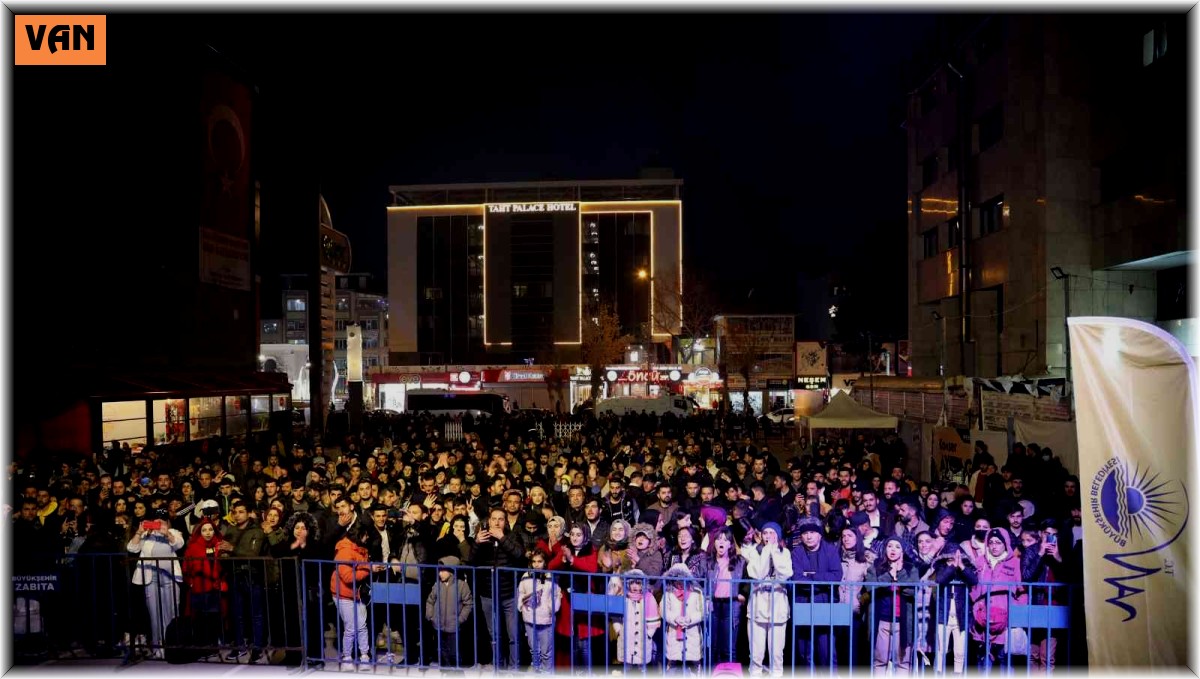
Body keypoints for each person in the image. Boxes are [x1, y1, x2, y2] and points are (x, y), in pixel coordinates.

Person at [126, 507, 184, 660]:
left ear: (167, 522)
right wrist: (139, 532)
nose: (159, 523)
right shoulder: (146, 535)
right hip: (151, 578)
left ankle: (172, 646)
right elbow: (131, 548)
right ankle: (158, 647)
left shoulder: (174, 532)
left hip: (169, 578)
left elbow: (179, 544)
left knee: (171, 613)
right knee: (154, 614)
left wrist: (167, 534)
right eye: (156, 520)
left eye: (162, 520)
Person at [743, 522, 793, 677]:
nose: (768, 536)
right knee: (756, 654)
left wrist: (774, 553)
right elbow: (758, 573)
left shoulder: (784, 553)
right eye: (765, 533)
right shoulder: (754, 552)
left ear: (778, 535)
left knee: (777, 654)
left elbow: (785, 574)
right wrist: (766, 552)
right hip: (758, 607)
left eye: (772, 533)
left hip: (778, 608)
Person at [865, 537, 918, 672]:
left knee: (903, 662)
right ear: (885, 549)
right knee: (880, 661)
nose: (893, 549)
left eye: (897, 547)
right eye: (890, 546)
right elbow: (871, 587)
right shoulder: (876, 567)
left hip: (903, 622)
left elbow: (912, 590)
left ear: (902, 550)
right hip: (882, 620)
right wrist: (890, 575)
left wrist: (899, 574)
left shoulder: (910, 568)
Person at [181, 517, 232, 657]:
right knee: (200, 617)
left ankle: (214, 646)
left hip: (216, 587)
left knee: (215, 616)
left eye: (210, 529)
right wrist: (190, 582)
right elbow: (186, 568)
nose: (208, 532)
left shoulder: (220, 545)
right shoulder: (193, 547)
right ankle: (203, 646)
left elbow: (227, 565)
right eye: (204, 530)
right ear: (200, 532)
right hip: (199, 587)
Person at [331, 523, 373, 671]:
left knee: (362, 626)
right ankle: (347, 657)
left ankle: (364, 656)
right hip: (343, 594)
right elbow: (348, 577)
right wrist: (369, 570)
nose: (367, 537)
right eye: (365, 534)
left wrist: (367, 568)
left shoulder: (362, 549)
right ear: (359, 535)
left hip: (358, 593)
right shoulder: (344, 551)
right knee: (351, 627)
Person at [706, 526, 748, 666]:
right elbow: (698, 581)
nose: (721, 542)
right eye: (718, 539)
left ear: (730, 543)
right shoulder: (708, 562)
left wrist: (743, 593)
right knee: (713, 646)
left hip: (731, 605)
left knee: (729, 647)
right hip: (713, 605)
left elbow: (748, 580)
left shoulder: (740, 561)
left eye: (725, 539)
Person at [425, 556, 473, 671]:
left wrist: (460, 619)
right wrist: (431, 616)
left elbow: (468, 604)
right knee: (442, 650)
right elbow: (430, 601)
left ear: (451, 571)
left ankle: (455, 671)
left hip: (453, 626)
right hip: (439, 625)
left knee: (454, 652)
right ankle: (445, 671)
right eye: (439, 570)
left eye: (443, 570)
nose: (440, 573)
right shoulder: (437, 585)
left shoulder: (462, 586)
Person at [518, 550, 562, 674]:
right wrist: (523, 603)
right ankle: (536, 672)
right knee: (534, 650)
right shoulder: (526, 575)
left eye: (540, 561)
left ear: (545, 562)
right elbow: (520, 593)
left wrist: (550, 609)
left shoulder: (550, 576)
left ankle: (547, 673)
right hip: (529, 618)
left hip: (545, 619)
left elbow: (557, 595)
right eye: (534, 562)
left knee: (546, 651)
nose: (536, 565)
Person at [612, 568, 660, 669]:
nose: (634, 586)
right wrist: (618, 630)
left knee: (642, 665)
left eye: (638, 583)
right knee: (627, 664)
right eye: (632, 583)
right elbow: (615, 615)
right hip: (626, 636)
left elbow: (654, 616)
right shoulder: (622, 597)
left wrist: (649, 634)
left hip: (643, 637)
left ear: (642, 584)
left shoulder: (648, 597)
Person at [662, 563, 705, 673]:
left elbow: (703, 611)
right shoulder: (668, 592)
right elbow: (663, 609)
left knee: (694, 663)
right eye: (675, 577)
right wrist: (675, 618)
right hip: (674, 633)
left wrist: (690, 619)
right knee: (673, 663)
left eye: (681, 576)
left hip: (692, 633)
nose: (678, 580)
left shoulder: (697, 592)